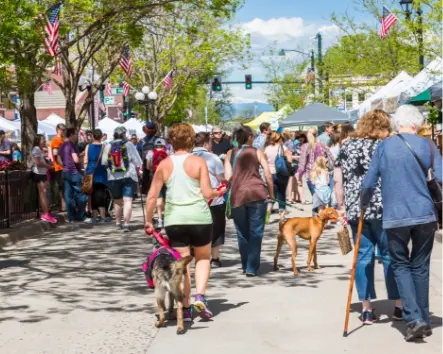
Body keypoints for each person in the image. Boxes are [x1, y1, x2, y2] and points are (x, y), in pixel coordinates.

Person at [361, 105, 442, 341]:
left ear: (398, 124)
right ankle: (423, 318)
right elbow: (441, 176)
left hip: (395, 216)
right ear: (416, 124)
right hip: (425, 214)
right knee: (420, 265)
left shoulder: (384, 146)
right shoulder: (428, 145)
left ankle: (414, 319)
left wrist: (363, 204)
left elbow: (369, 181)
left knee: (400, 264)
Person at [145, 123, 225, 321]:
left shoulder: (164, 164)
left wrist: (148, 221)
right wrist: (218, 192)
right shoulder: (198, 162)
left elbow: (152, 197)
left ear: (172, 141)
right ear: (191, 140)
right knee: (203, 258)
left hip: (175, 219)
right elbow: (207, 193)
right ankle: (201, 296)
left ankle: (187, 307)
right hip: (199, 216)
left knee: (183, 263)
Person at [334, 110, 401, 327]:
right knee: (389, 254)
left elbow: (338, 179)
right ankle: (399, 304)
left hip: (357, 208)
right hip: (383, 207)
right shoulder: (384, 146)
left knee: (363, 256)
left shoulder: (346, 146)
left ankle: (366, 309)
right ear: (379, 127)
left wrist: (342, 206)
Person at [225, 125, 274, 276]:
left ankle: (245, 263)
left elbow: (228, 177)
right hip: (257, 193)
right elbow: (268, 174)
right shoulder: (257, 152)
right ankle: (252, 267)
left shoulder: (230, 153)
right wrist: (271, 194)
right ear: (250, 138)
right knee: (256, 231)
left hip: (238, 195)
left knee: (242, 232)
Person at [192, 132, 227, 268]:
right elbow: (221, 179)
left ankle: (198, 256)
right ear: (206, 143)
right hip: (214, 199)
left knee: (197, 229)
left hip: (194, 200)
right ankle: (215, 258)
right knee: (216, 228)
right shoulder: (213, 158)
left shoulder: (188, 158)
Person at [102, 126, 142, 232]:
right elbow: (138, 161)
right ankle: (126, 224)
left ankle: (118, 223)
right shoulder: (129, 145)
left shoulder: (108, 146)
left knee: (117, 201)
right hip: (129, 175)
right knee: (128, 200)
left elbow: (104, 162)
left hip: (113, 176)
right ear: (124, 134)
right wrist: (138, 171)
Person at [59, 128, 89, 222]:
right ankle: (80, 215)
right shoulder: (72, 145)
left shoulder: (63, 145)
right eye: (76, 134)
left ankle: (71, 217)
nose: (77, 136)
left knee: (68, 195)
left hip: (65, 172)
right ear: (71, 134)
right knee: (81, 195)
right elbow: (76, 160)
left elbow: (58, 158)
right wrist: (83, 156)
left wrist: (64, 165)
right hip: (75, 173)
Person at [297, 127, 334, 198]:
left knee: (316, 200)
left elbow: (302, 163)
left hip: (310, 175)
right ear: (317, 134)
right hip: (323, 174)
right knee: (323, 200)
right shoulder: (323, 145)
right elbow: (332, 158)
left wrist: (299, 176)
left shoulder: (305, 146)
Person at [264, 132, 292, 222]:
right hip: (282, 173)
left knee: (272, 195)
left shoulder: (267, 149)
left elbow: (263, 161)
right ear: (279, 138)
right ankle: (282, 215)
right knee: (282, 194)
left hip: (270, 174)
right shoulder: (283, 148)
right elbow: (289, 160)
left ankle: (268, 211)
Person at [83, 129, 110, 223]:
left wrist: (85, 172)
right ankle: (102, 216)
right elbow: (107, 161)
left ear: (93, 136)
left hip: (90, 172)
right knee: (101, 193)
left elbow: (85, 161)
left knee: (93, 194)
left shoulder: (88, 146)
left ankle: (94, 216)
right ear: (101, 136)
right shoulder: (104, 146)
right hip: (101, 172)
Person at [31, 134, 56, 223]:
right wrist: (48, 166)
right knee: (43, 193)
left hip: (43, 173)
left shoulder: (40, 150)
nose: (44, 141)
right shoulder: (36, 149)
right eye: (43, 139)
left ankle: (46, 212)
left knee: (44, 193)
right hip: (39, 174)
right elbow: (38, 162)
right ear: (38, 141)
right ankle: (45, 213)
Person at [145, 137, 169, 229]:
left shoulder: (150, 153)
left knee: (158, 199)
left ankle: (159, 220)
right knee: (167, 199)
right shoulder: (168, 153)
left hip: (156, 178)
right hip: (167, 177)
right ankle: (167, 218)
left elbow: (147, 167)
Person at [139, 122, 159, 194]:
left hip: (146, 164)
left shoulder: (142, 141)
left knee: (148, 185)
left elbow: (139, 153)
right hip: (157, 164)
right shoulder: (159, 139)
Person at [50, 123, 66, 211]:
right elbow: (55, 154)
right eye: (62, 129)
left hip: (63, 167)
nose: (63, 131)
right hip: (60, 168)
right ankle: (63, 206)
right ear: (57, 130)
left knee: (63, 187)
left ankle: (64, 206)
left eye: (64, 129)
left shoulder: (62, 140)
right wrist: (63, 165)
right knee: (62, 187)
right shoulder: (56, 140)